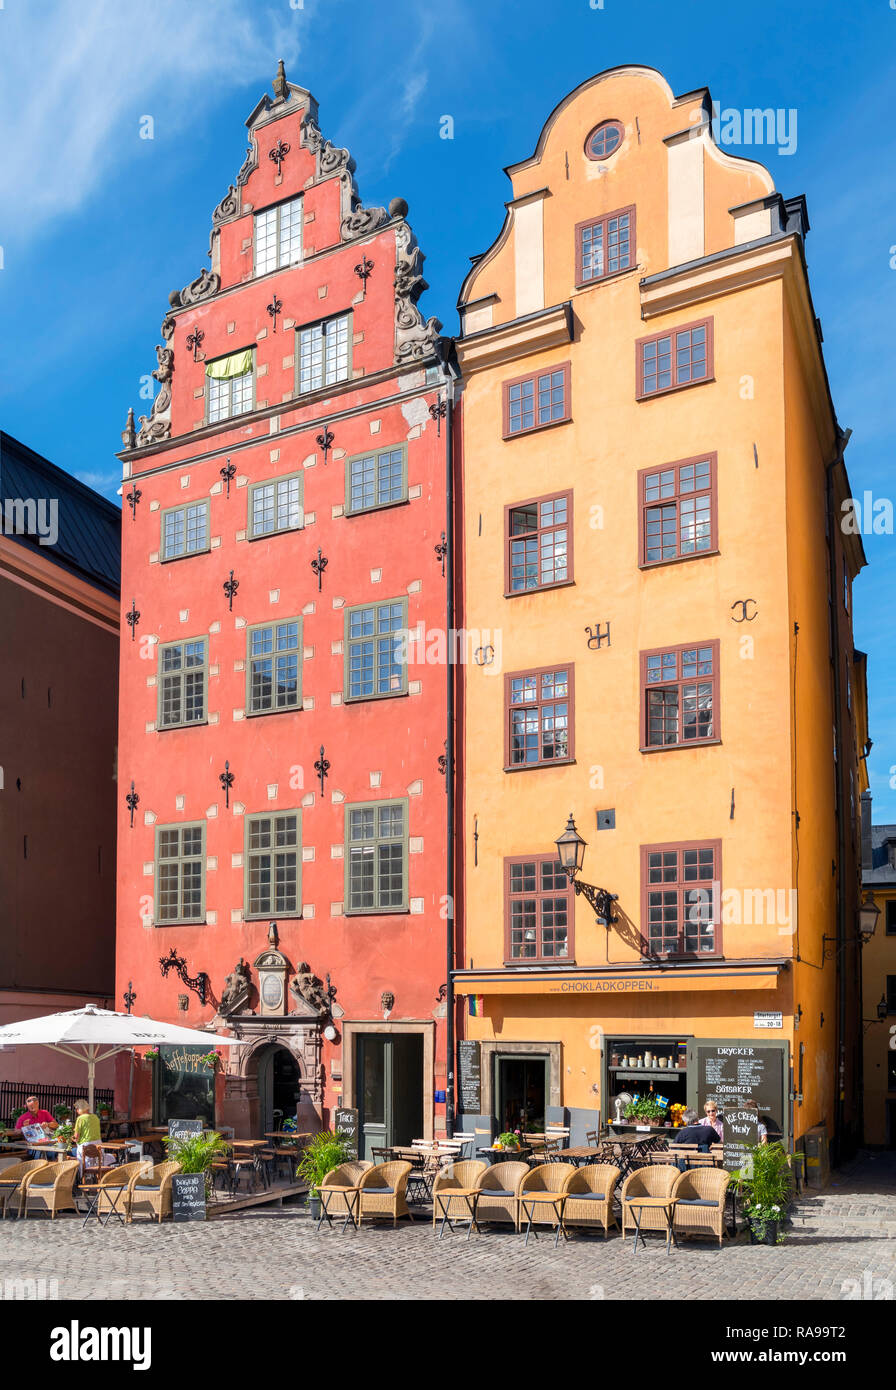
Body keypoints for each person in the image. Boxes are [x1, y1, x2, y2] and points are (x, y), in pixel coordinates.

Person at [72, 1099, 102, 1173]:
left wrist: (71, 1138)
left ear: (80, 1109)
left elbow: (76, 1137)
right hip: (98, 1145)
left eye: (77, 1109)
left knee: (73, 1151)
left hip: (86, 1146)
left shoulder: (80, 1118)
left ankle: (81, 1176)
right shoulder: (95, 1117)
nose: (76, 1111)